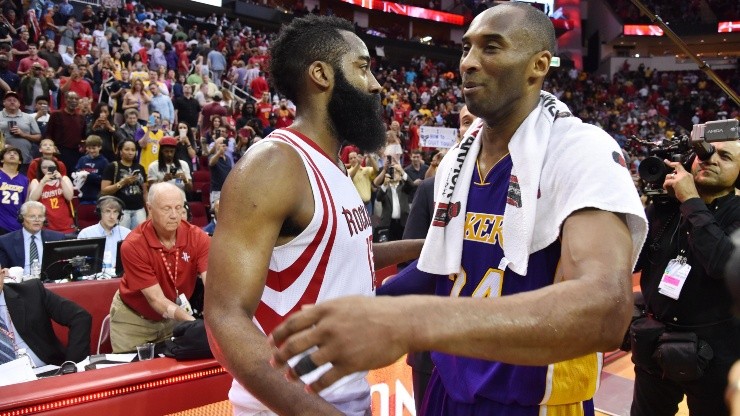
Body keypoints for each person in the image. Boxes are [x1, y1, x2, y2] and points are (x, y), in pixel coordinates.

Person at [269, 5, 648, 415]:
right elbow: (439, 269)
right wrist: (345, 312)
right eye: (467, 48)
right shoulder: (457, 161)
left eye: (491, 47)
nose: (468, 62)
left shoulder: (580, 150)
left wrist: (412, 322)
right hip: (449, 390)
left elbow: (606, 311)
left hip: (532, 400)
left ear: (538, 65)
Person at [205, 15, 423, 416]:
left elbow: (337, 255)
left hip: (348, 398)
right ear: (322, 75)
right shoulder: (275, 164)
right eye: (362, 67)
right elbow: (223, 316)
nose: (376, 85)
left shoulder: (334, 166)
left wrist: (427, 247)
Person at [631, 140, 740, 416]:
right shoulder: (665, 209)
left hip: (716, 355)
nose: (711, 159)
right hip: (653, 344)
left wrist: (691, 201)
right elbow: (630, 261)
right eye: (706, 152)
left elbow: (722, 264)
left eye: (725, 157)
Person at [109, 182, 209, 353]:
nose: (174, 215)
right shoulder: (133, 245)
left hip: (173, 318)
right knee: (135, 374)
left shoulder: (198, 237)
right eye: (166, 209)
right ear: (150, 209)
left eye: (179, 208)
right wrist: (193, 324)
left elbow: (212, 285)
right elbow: (156, 300)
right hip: (134, 320)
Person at [0, 274, 91, 366]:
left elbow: (80, 317)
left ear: (2, 273)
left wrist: (72, 364)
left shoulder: (31, 292)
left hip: (47, 372)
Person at [0, 201, 65, 276]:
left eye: (40, 216)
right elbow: (2, 270)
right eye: (32, 216)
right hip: (20, 285)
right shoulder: (5, 241)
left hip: (49, 283)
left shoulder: (57, 238)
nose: (37, 220)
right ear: (21, 218)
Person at [100, 140, 148, 230]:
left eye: (133, 150)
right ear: (120, 151)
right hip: (121, 210)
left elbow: (145, 191)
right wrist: (122, 183)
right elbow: (104, 190)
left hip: (139, 209)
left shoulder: (140, 167)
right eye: (127, 149)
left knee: (139, 238)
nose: (130, 152)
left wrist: (149, 210)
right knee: (122, 239)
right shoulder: (112, 167)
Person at [77, 195, 131, 275]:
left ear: (119, 215)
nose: (112, 216)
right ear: (99, 213)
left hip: (121, 278)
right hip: (94, 279)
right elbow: (79, 264)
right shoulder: (85, 234)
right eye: (108, 211)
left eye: (115, 212)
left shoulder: (127, 234)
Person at [28, 159, 75, 234]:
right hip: (46, 223)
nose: (47, 169)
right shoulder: (36, 181)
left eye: (51, 167)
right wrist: (43, 182)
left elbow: (69, 197)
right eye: (44, 167)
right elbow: (32, 200)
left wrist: (61, 180)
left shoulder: (64, 178)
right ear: (40, 169)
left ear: (56, 167)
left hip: (65, 222)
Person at [0, 91, 41, 174]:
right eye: (9, 100)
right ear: (4, 103)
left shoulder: (28, 117)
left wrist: (23, 134)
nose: (12, 102)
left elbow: (38, 137)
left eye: (15, 100)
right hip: (2, 158)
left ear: (19, 104)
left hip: (24, 159)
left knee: (23, 183)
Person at [45, 91, 86, 174]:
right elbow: (48, 134)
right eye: (71, 98)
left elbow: (83, 136)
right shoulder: (56, 115)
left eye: (76, 99)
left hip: (75, 153)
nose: (74, 101)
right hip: (59, 151)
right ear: (65, 100)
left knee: (72, 177)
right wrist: (52, 147)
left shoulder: (81, 117)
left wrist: (83, 146)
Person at [0, 147, 29, 235]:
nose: (12, 154)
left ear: (20, 161)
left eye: (15, 153)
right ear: (1, 160)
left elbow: (25, 203)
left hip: (16, 224)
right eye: (9, 153)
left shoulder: (25, 180)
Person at [73, 135, 109, 204]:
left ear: (100, 147)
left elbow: (105, 180)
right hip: (83, 196)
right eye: (89, 148)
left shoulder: (104, 162)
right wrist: (79, 174)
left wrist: (89, 176)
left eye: (94, 148)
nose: (91, 150)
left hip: (97, 197)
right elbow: (76, 171)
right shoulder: (82, 159)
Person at [348, 151, 378, 215]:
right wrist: (358, 164)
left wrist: (370, 157)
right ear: (349, 161)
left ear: (358, 158)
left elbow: (377, 170)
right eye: (351, 158)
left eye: (354, 157)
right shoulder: (348, 171)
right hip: (357, 206)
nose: (353, 159)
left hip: (368, 204)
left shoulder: (366, 169)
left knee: (369, 224)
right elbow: (350, 176)